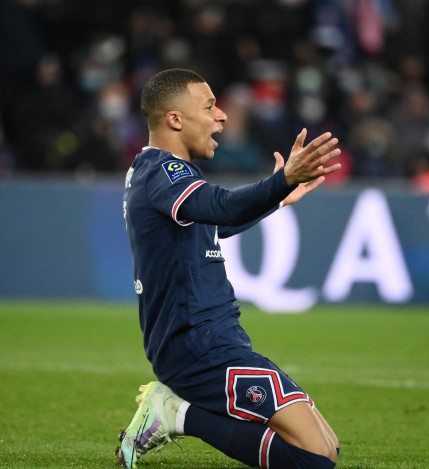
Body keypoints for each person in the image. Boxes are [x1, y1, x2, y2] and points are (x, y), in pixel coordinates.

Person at [117, 68, 341, 468]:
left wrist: (277, 196)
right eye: (209, 106)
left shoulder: (160, 175)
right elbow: (223, 206)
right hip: (199, 346)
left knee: (328, 445)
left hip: (214, 340)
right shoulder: (163, 171)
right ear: (175, 119)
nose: (221, 115)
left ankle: (178, 412)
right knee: (315, 457)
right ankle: (178, 414)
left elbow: (215, 222)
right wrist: (283, 180)